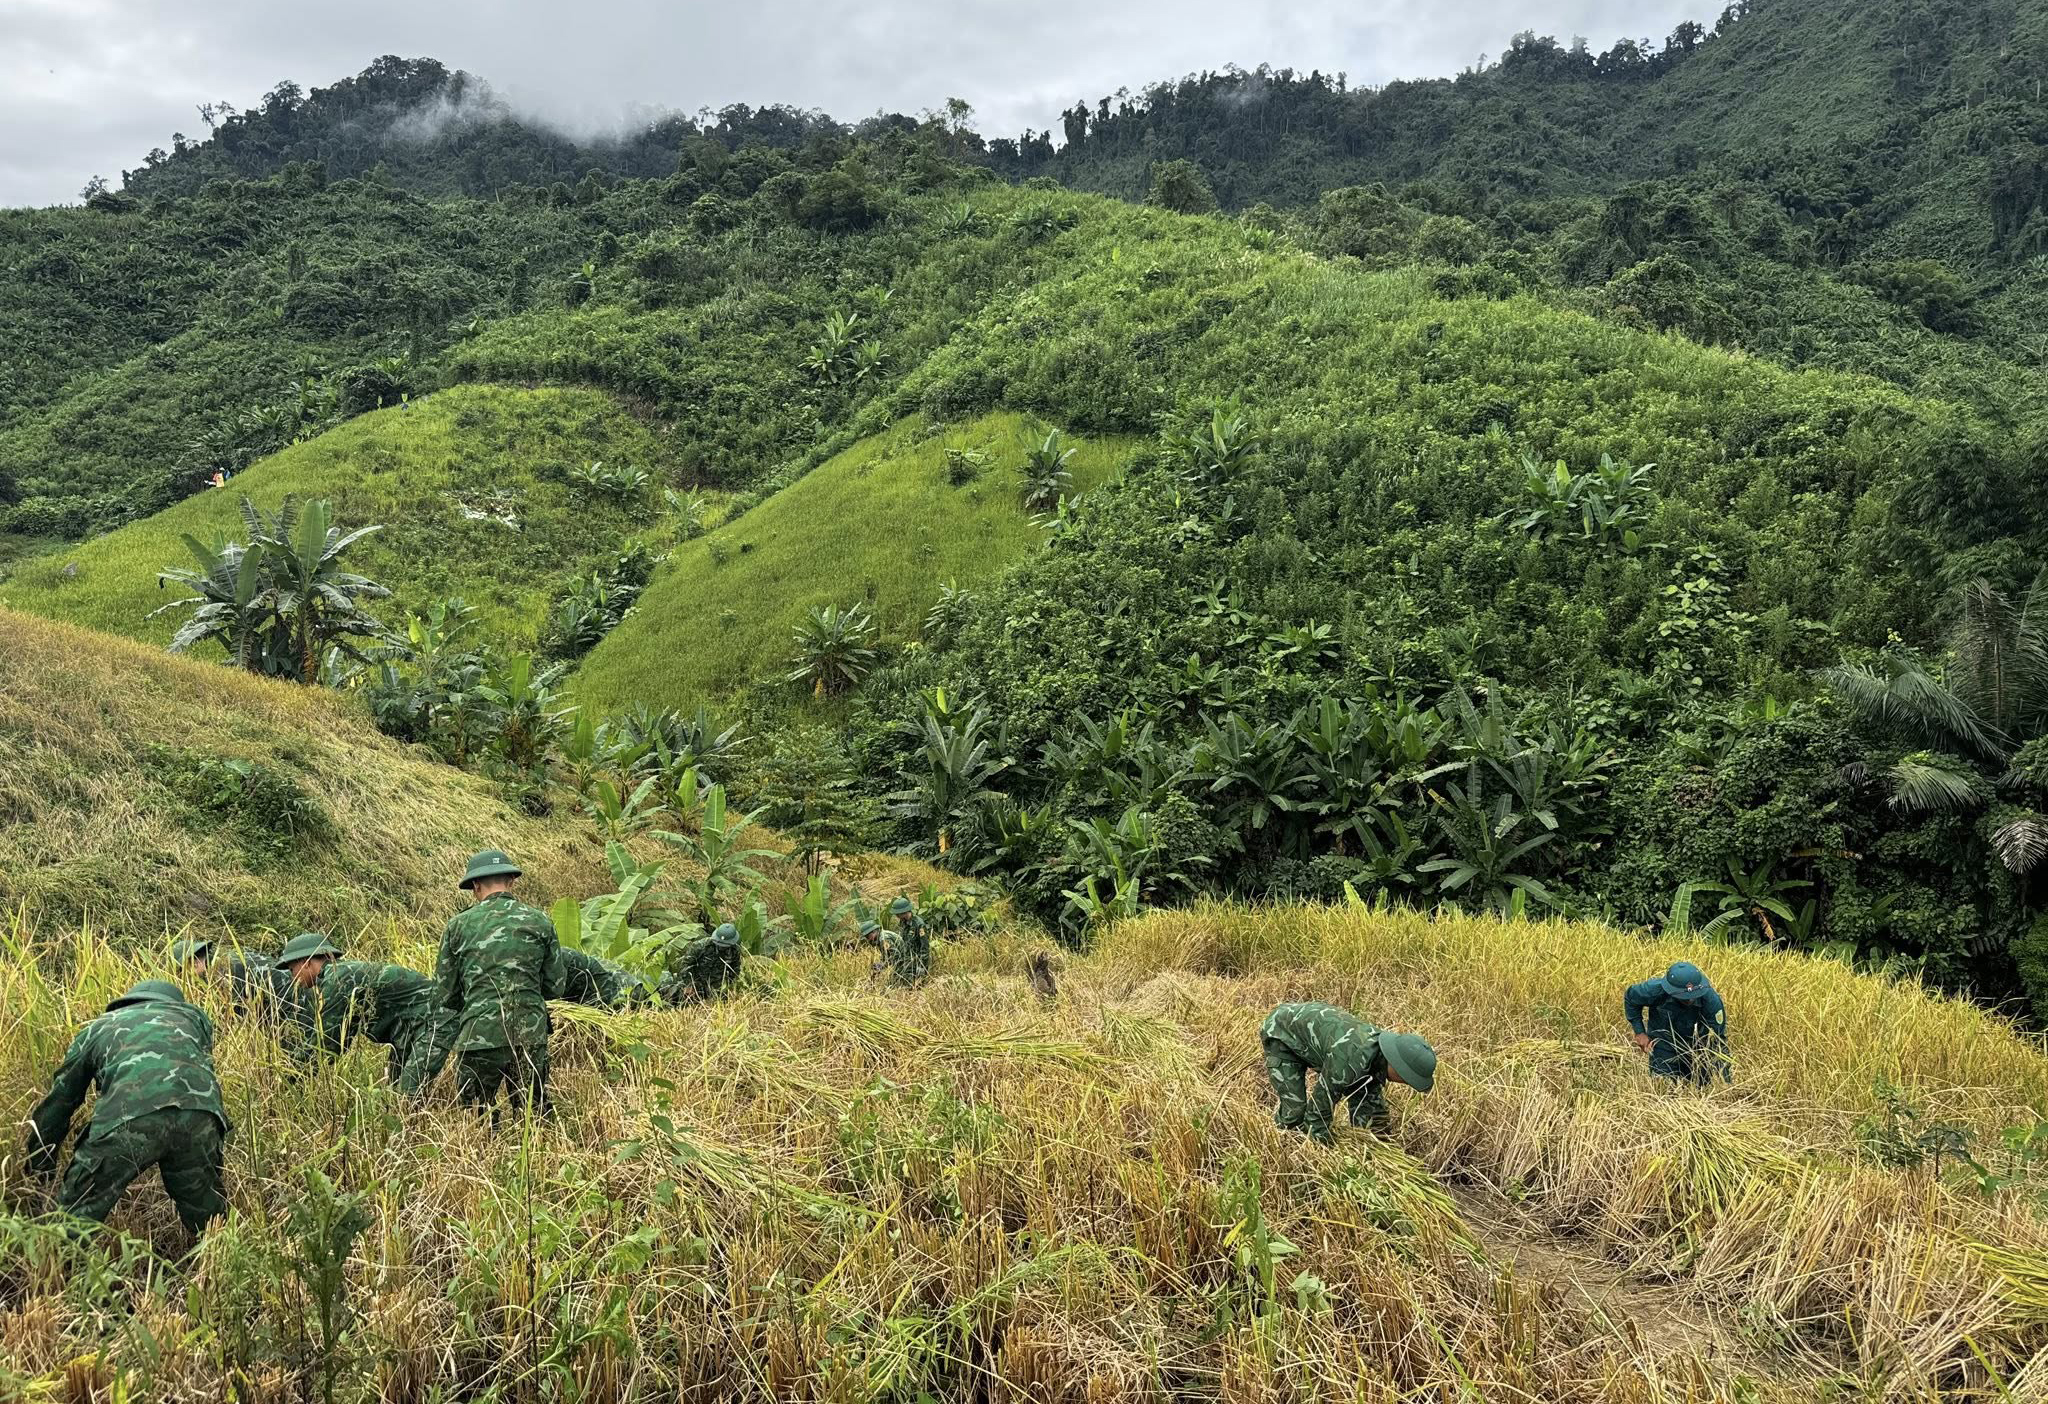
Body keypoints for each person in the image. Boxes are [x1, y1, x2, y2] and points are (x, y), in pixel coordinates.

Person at [25, 980, 229, 1238]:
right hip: (200, 1116)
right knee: (207, 1216)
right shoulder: (194, 1019)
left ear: (127, 1004)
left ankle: (64, 1266)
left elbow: (61, 1101)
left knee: (76, 1216)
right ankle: (217, 1261)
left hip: (126, 1118)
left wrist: (39, 1166)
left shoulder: (99, 1028)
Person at [434, 850, 563, 1119]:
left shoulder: (457, 926)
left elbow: (446, 993)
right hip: (529, 1035)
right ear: (512, 882)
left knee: (476, 1120)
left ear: (476, 887)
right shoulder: (540, 921)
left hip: (478, 1036)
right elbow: (555, 986)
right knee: (533, 1115)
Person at [279, 932, 457, 1097]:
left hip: (435, 1022)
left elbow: (325, 1043)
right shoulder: (341, 974)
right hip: (411, 1030)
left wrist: (287, 1078)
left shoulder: (338, 980)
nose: (293, 977)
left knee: (406, 1094)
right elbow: (340, 1041)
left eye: (292, 969)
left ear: (306, 962)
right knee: (394, 1095)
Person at [1260, 1002, 1436, 1142]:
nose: (1405, 1083)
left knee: (1368, 1107)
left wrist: (1379, 1144)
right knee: (1295, 1112)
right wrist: (1325, 1154)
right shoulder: (1349, 1061)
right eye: (1406, 1079)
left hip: (1317, 1037)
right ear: (1396, 1065)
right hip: (1281, 1032)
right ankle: (1282, 1149)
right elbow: (1318, 1112)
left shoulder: (1377, 1056)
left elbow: (1372, 1112)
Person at [1625, 961, 1730, 1085]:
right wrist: (1639, 1032)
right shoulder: (1654, 989)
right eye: (1684, 996)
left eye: (1693, 995)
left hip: (1699, 1048)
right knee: (1663, 1086)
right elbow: (1631, 998)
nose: (1690, 999)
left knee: (1703, 1085)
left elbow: (1717, 1043)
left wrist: (1724, 1082)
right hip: (1663, 1043)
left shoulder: (1712, 1002)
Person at [173, 935, 292, 1015]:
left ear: (194, 963)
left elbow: (232, 1014)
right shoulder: (222, 958)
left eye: (183, 973)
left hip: (289, 996)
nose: (189, 980)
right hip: (283, 993)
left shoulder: (223, 970)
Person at [659, 922, 742, 1003]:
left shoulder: (734, 951)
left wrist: (730, 987)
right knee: (677, 997)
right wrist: (689, 985)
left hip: (715, 986)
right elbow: (685, 965)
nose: (721, 948)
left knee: (723, 1002)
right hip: (696, 982)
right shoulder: (701, 946)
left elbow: (734, 971)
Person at [557, 945, 651, 1008]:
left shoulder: (557, 958)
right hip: (595, 991)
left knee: (653, 989)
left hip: (622, 991)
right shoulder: (553, 954)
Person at [875, 896, 931, 987]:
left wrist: (922, 967)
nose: (897, 916)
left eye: (898, 914)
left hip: (917, 963)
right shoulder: (902, 923)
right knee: (893, 983)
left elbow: (925, 948)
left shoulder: (919, 924)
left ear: (904, 912)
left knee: (910, 988)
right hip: (906, 961)